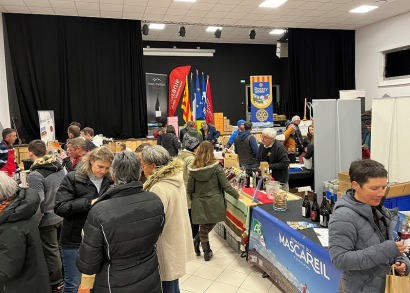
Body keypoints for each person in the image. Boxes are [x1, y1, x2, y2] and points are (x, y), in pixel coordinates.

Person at [76, 151, 165, 293]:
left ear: (112, 175)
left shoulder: (100, 211)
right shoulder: (155, 200)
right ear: (139, 172)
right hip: (150, 276)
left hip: (115, 282)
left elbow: (88, 265)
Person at [329, 159, 410, 293]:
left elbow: (387, 245)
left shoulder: (377, 208)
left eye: (384, 187)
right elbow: (340, 260)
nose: (382, 193)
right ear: (356, 185)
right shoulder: (343, 216)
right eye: (374, 188)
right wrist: (386, 250)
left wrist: (402, 262)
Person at [54, 146, 114, 293]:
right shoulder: (73, 178)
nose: (103, 171)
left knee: (96, 284)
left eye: (107, 168)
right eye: (100, 166)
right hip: (74, 240)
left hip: (98, 240)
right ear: (91, 161)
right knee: (73, 284)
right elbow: (60, 207)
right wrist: (89, 203)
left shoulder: (108, 180)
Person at [142, 145, 194, 292]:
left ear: (153, 166)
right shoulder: (175, 179)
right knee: (173, 284)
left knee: (167, 285)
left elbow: (154, 221)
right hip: (176, 238)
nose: (142, 169)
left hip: (165, 243)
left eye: (143, 165)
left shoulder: (159, 187)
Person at [187, 141, 240, 261]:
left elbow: (189, 189)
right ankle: (206, 250)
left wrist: (194, 199)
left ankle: (200, 243)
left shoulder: (193, 168)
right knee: (210, 223)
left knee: (204, 225)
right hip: (214, 200)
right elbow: (226, 185)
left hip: (199, 200)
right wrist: (236, 195)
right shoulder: (216, 167)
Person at [0, 172, 51, 293]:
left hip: (19, 286)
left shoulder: (10, 224)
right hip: (32, 281)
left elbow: (7, 269)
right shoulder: (19, 208)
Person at [27, 139, 66, 292]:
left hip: (48, 220)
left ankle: (56, 282)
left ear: (30, 153)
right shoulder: (59, 166)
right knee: (60, 249)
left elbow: (39, 205)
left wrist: (34, 224)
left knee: (51, 252)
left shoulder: (35, 175)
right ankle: (64, 276)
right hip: (62, 214)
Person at [177, 136, 201, 240]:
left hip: (182, 189)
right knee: (194, 219)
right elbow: (195, 176)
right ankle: (193, 239)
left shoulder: (181, 156)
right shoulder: (191, 159)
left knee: (187, 217)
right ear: (195, 148)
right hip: (190, 192)